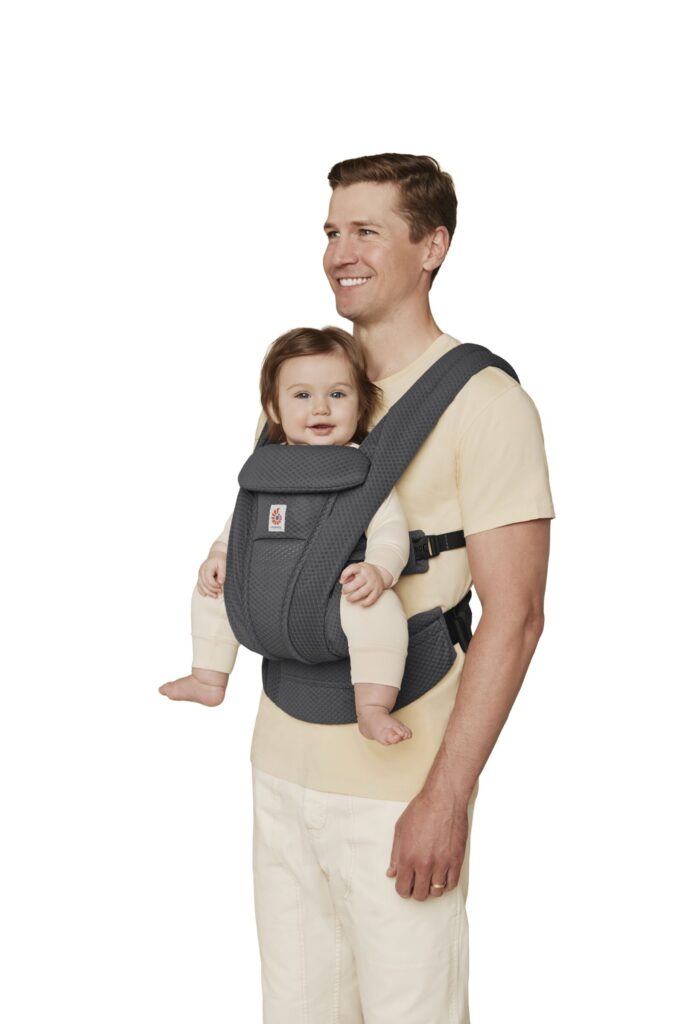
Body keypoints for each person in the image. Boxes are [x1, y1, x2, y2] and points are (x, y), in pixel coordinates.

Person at [165, 153, 554, 1023]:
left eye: (367, 231)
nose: (340, 252)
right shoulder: (305, 385)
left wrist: (444, 799)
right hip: (279, 761)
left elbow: (517, 618)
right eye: (332, 231)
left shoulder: (484, 402)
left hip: (399, 782)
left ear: (432, 247)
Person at [160, 324, 415, 745]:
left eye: (338, 394)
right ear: (273, 409)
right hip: (261, 599)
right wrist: (219, 556)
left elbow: (391, 530)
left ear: (362, 405)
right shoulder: (268, 469)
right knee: (210, 589)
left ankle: (372, 706)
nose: (321, 409)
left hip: (331, 604)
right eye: (302, 396)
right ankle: (208, 677)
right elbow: (239, 525)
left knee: (379, 608)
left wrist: (379, 570)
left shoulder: (361, 473)